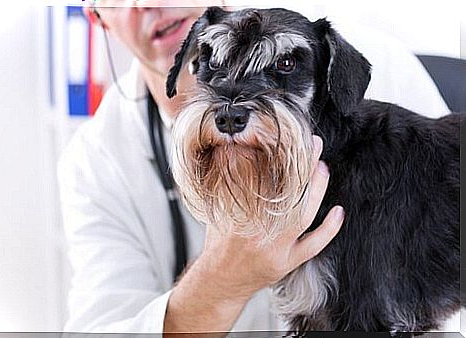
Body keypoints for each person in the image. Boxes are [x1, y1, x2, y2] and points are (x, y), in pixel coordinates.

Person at [58, 1, 450, 333]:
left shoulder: (378, 63)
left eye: (282, 66)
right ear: (98, 18)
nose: (146, 4)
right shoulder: (96, 161)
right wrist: (219, 282)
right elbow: (98, 327)